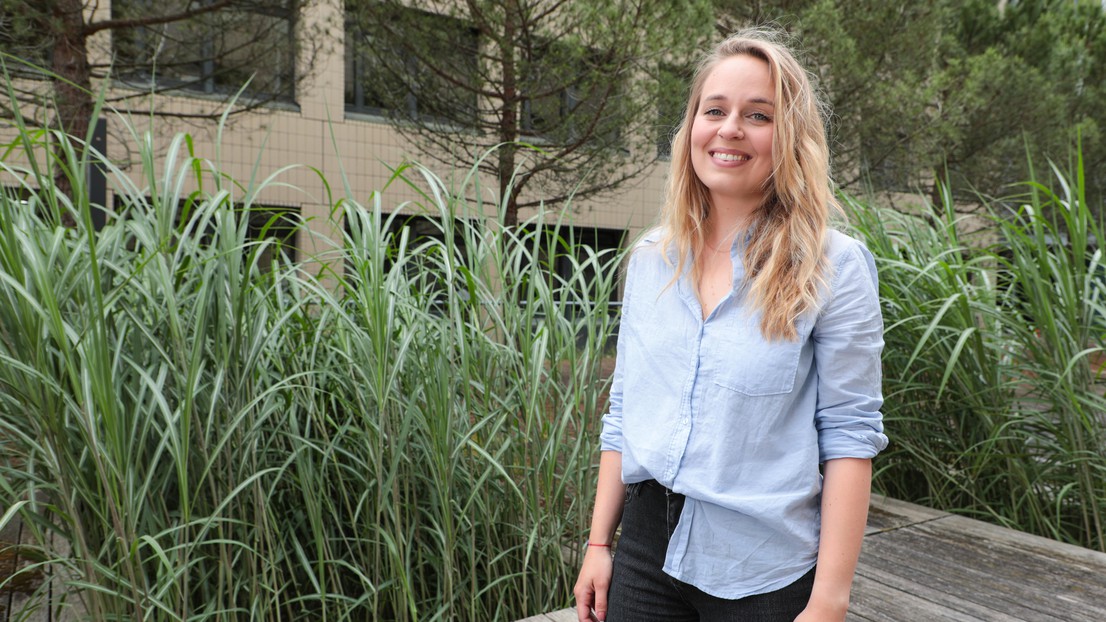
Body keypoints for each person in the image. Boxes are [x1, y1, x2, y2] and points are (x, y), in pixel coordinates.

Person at [573, 27, 888, 622]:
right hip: (644, 552)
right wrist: (598, 545)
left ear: (790, 136)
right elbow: (623, 411)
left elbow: (849, 436)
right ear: (691, 127)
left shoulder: (834, 266)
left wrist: (829, 600)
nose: (730, 129)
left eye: (758, 115)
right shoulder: (651, 259)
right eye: (713, 110)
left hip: (765, 569)